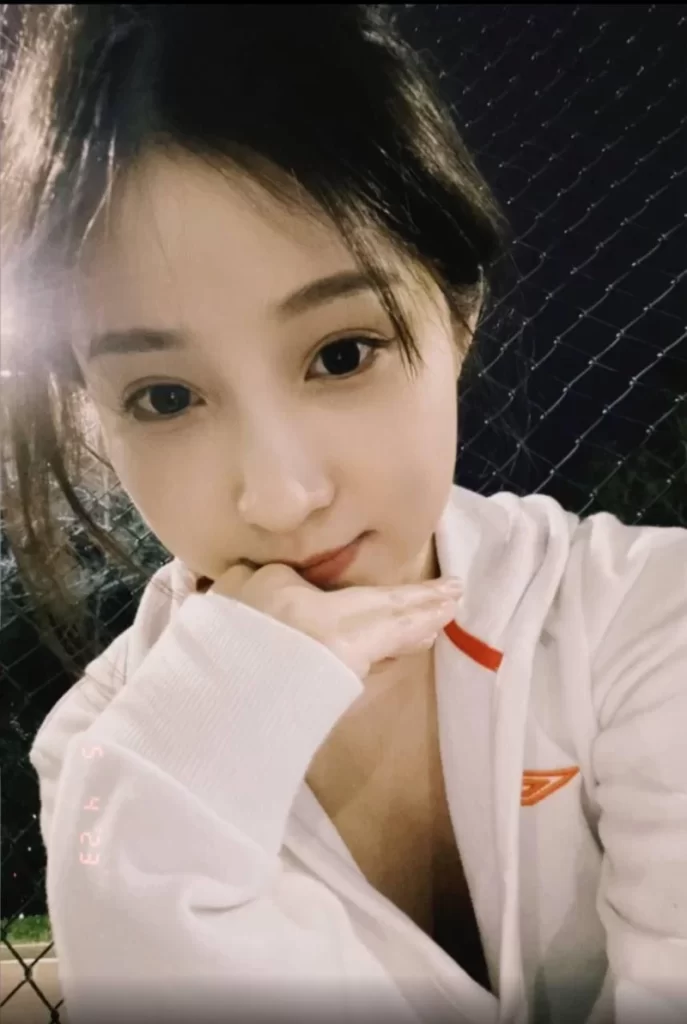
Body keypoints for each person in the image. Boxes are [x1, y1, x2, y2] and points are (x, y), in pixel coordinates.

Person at [2, 5, 685, 1023]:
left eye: (341, 353)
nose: (280, 497)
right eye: (165, 397)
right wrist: (182, 779)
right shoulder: (118, 756)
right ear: (96, 416)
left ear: (456, 313)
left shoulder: (641, 617)